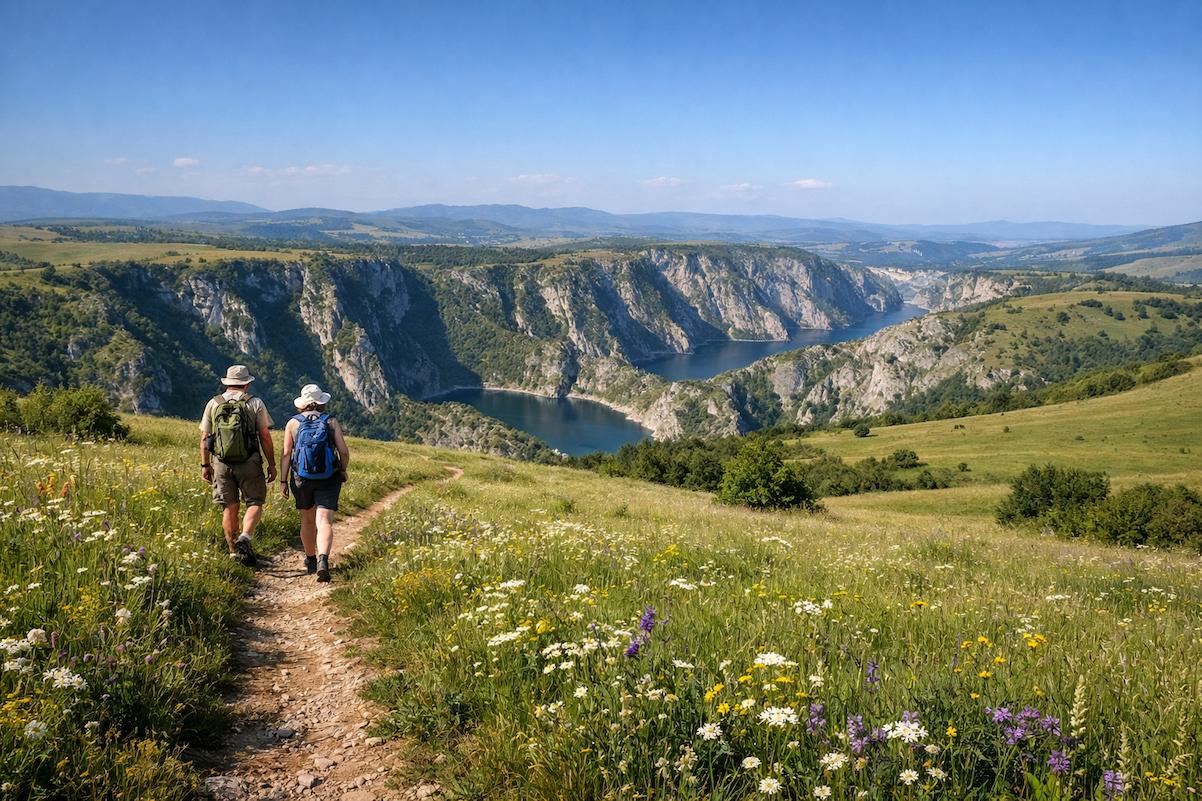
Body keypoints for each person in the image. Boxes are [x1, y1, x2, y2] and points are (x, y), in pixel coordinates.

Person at [200, 365, 276, 566]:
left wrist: (205, 465)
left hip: (222, 463)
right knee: (254, 502)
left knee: (229, 507)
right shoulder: (254, 403)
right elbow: (265, 437)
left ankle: (234, 553)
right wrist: (272, 464)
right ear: (247, 384)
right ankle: (245, 537)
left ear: (226, 383)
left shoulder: (213, 403)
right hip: (249, 461)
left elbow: (205, 438)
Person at [280, 383, 350, 582]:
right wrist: (342, 469)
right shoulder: (331, 422)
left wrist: (283, 481)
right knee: (324, 521)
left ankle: (310, 559)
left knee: (307, 520)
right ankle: (323, 561)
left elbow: (286, 454)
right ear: (321, 403)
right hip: (329, 477)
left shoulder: (293, 423)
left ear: (302, 404)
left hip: (301, 478)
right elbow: (343, 451)